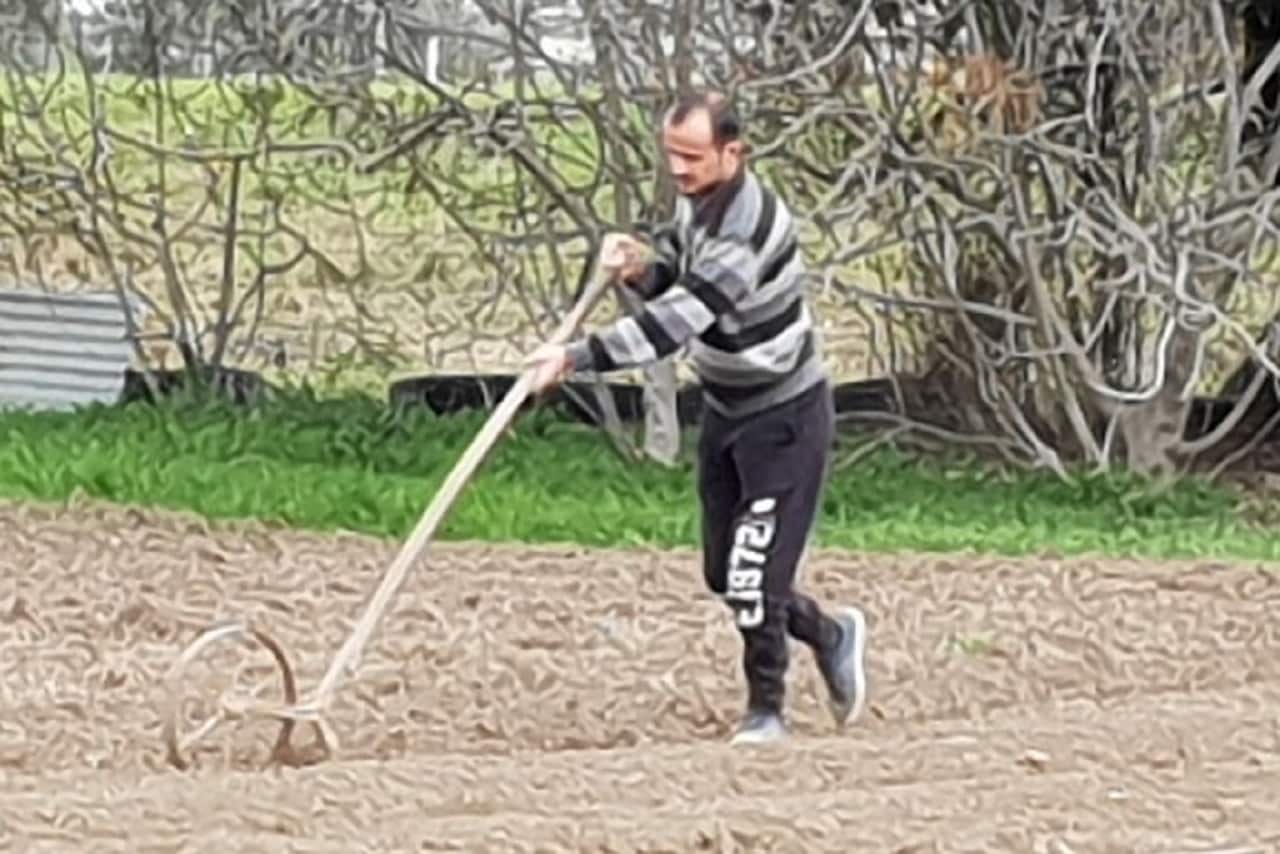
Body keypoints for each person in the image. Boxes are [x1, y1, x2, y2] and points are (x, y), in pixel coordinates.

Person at [523, 90, 868, 745]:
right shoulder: (699, 206)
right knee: (723, 572)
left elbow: (679, 321)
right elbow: (678, 280)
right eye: (672, 156)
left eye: (692, 157)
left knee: (751, 578)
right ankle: (830, 633)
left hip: (786, 416)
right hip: (727, 410)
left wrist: (576, 357)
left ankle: (766, 710)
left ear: (732, 153)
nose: (678, 170)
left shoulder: (748, 227)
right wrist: (644, 266)